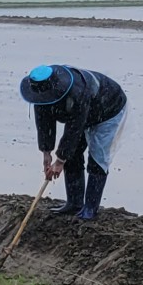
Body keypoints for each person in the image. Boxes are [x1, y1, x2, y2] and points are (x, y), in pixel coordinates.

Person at [19, 64, 127, 221]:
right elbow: (44, 124)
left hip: (108, 108)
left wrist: (60, 160)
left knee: (97, 159)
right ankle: (74, 203)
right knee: (73, 154)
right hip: (84, 113)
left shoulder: (78, 92)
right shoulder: (40, 95)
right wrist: (46, 153)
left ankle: (90, 208)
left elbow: (74, 128)